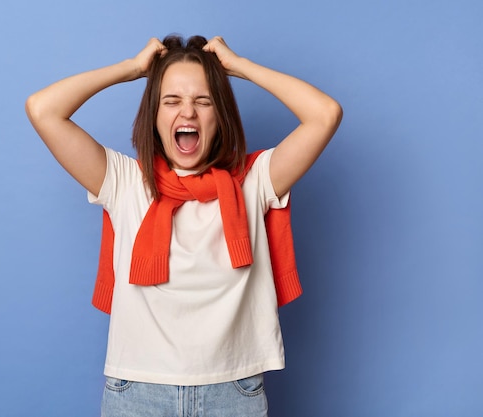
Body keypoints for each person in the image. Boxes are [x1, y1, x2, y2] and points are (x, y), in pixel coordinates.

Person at [26, 34, 342, 417]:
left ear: (220, 116)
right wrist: (132, 69)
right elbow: (43, 109)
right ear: (154, 115)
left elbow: (324, 114)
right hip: (137, 391)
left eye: (203, 101)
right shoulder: (125, 182)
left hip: (233, 391)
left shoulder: (255, 181)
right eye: (172, 100)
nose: (187, 112)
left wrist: (239, 66)